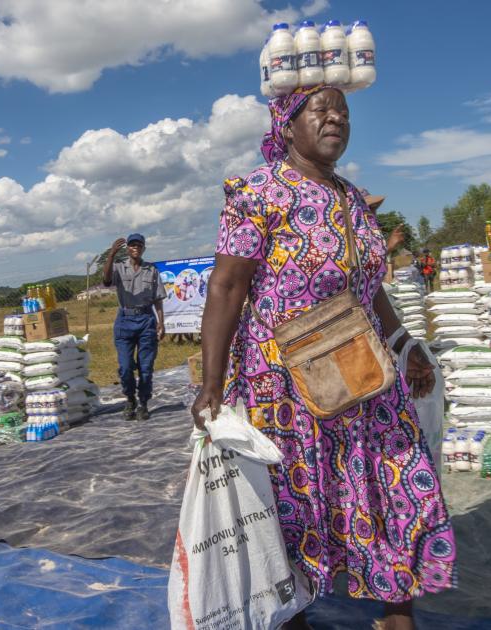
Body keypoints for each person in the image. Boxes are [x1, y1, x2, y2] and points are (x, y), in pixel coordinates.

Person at [192, 84, 455, 630]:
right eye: (321, 110)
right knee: (299, 500)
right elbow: (226, 287)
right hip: (284, 379)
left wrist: (405, 345)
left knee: (399, 477)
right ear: (287, 126)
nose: (336, 118)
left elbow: (369, 287)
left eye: (344, 112)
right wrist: (211, 385)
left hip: (361, 368)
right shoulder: (257, 192)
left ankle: (397, 608)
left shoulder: (354, 199)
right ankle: (292, 615)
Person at [102, 233, 166, 420]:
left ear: (143, 248)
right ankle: (130, 399)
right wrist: (112, 254)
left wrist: (161, 323)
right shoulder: (118, 268)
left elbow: (158, 299)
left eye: (139, 245)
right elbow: (106, 280)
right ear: (128, 249)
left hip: (146, 320)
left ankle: (143, 403)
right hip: (124, 321)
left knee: (146, 367)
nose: (135, 247)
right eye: (132, 245)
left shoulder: (151, 270)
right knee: (125, 366)